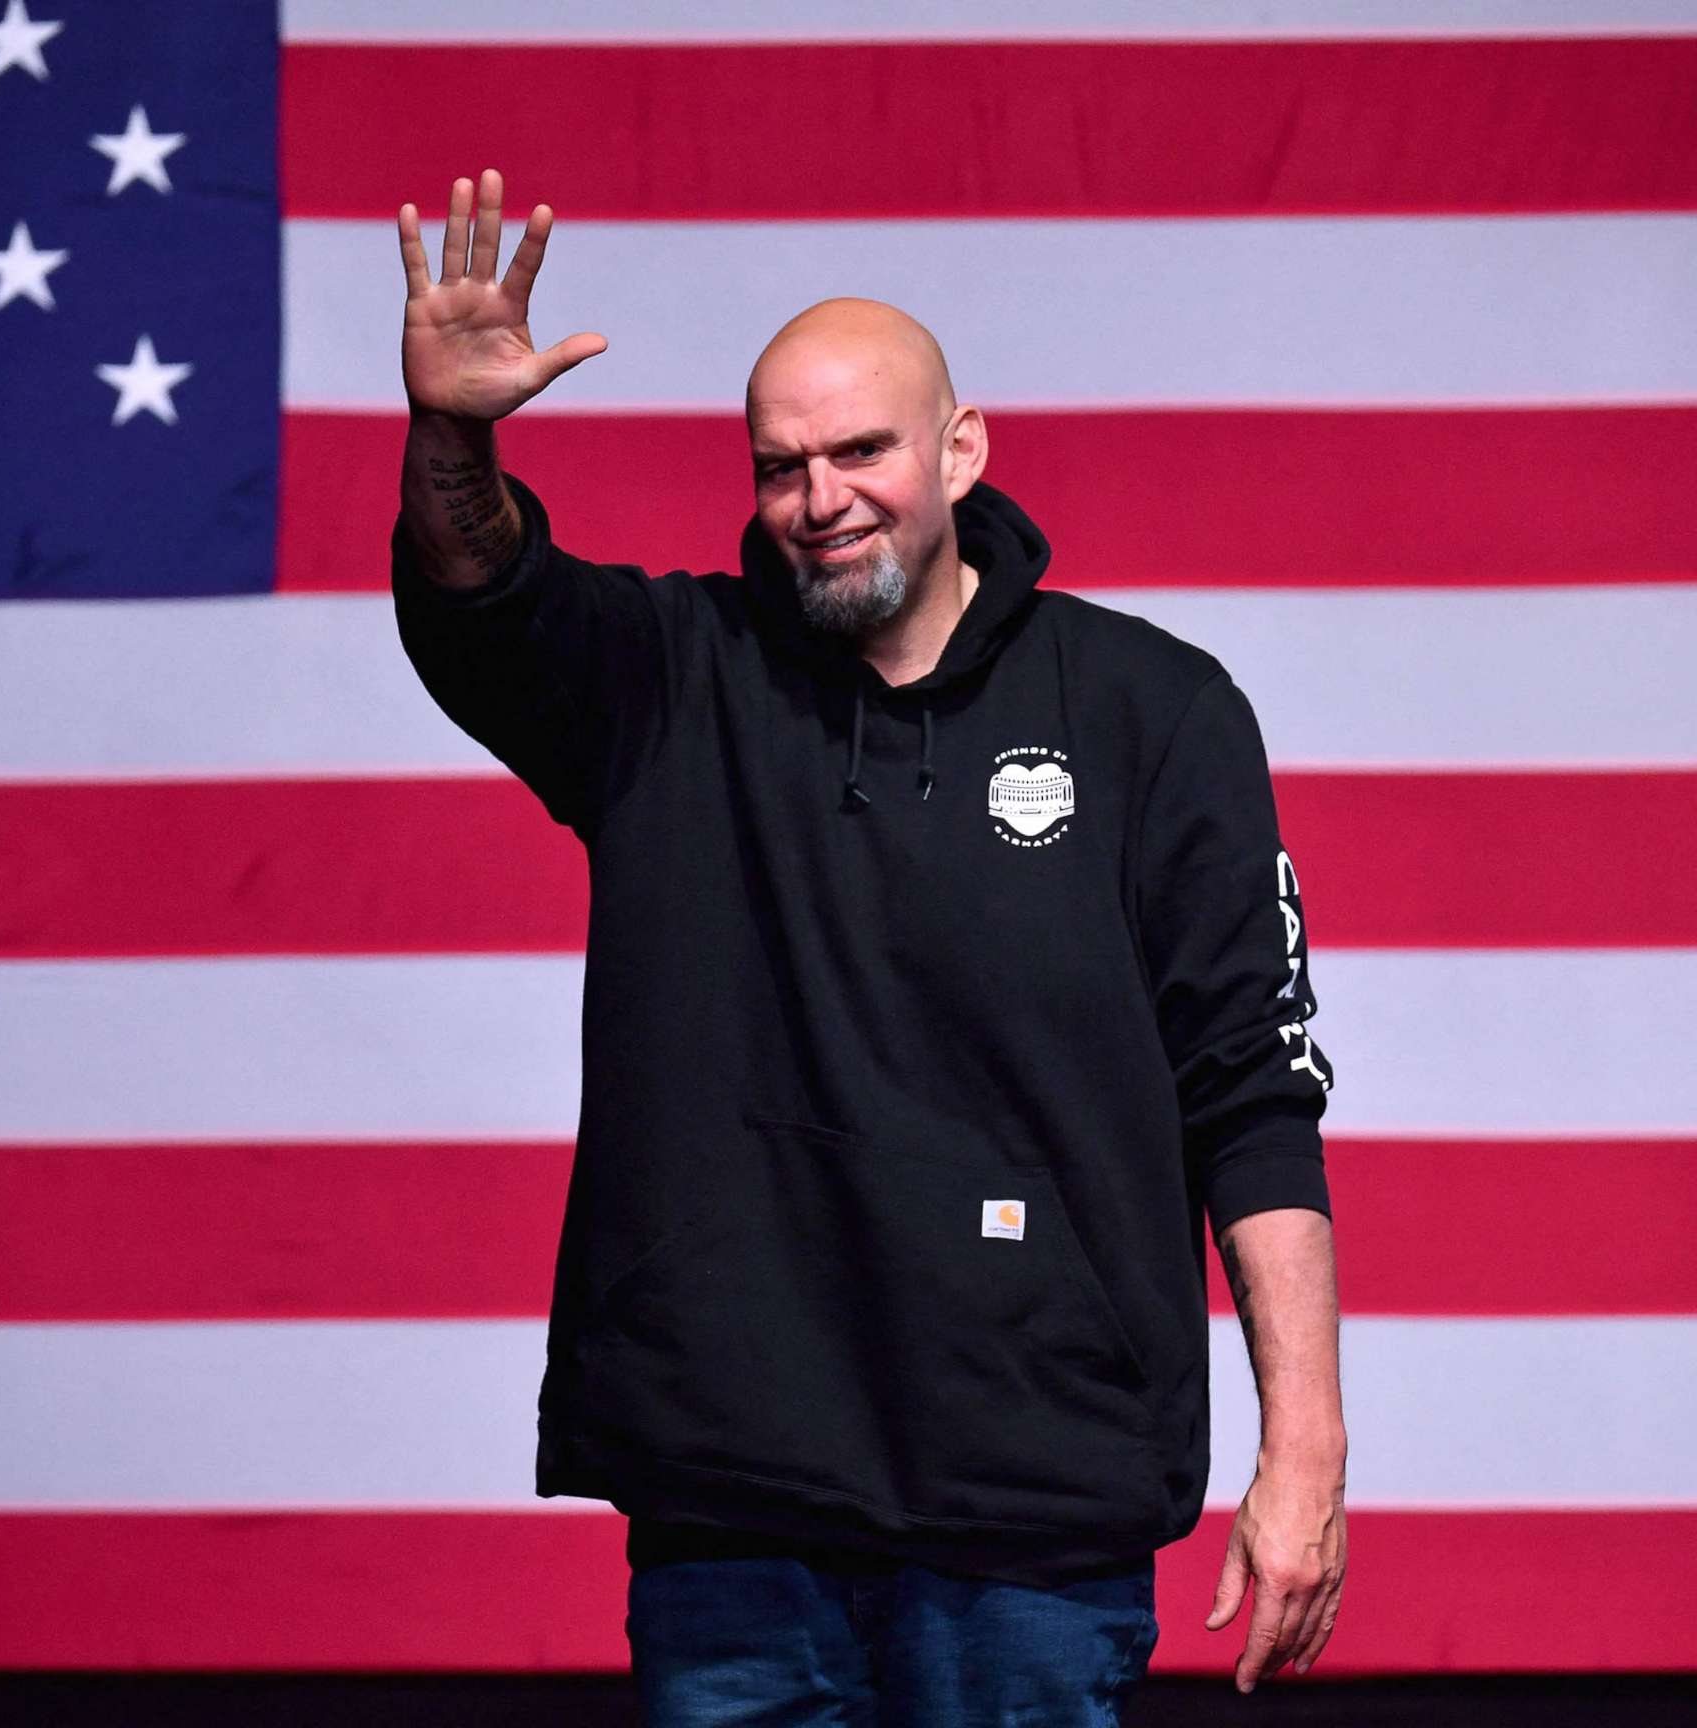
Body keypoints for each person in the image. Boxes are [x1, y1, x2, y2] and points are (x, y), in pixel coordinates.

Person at [388, 169, 1349, 1724]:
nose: (820, 496)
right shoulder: (665, 685)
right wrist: (454, 435)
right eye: (782, 465)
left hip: (1037, 1521)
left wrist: (1304, 1448)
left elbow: (1251, 1093)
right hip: (734, 1517)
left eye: (861, 451)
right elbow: (479, 593)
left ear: (960, 452)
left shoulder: (1154, 712)